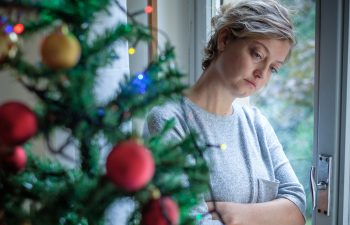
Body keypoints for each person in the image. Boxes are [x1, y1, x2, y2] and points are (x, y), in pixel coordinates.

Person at [143, 0, 306, 224]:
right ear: (224, 39)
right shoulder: (168, 120)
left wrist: (230, 214)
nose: (262, 74)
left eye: (273, 68)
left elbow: (297, 207)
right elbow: (189, 221)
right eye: (257, 54)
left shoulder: (256, 123)